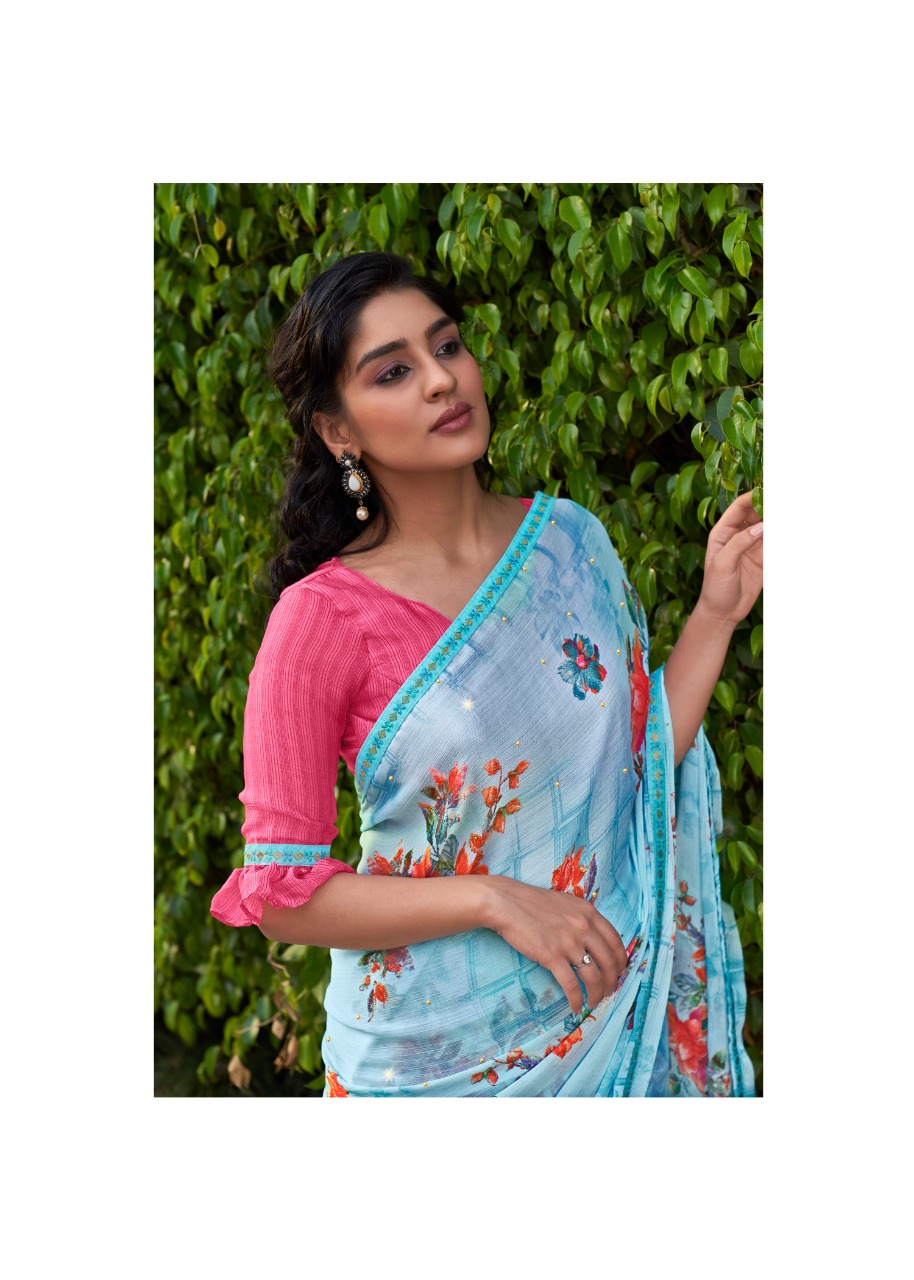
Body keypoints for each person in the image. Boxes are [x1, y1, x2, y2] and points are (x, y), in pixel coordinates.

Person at [210, 251, 762, 1097]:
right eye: (393, 371)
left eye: (447, 346)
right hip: (428, 1067)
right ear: (338, 431)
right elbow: (283, 895)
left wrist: (716, 615)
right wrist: (491, 898)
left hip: (610, 1014)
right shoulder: (321, 623)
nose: (441, 379)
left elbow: (639, 768)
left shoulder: (569, 544)